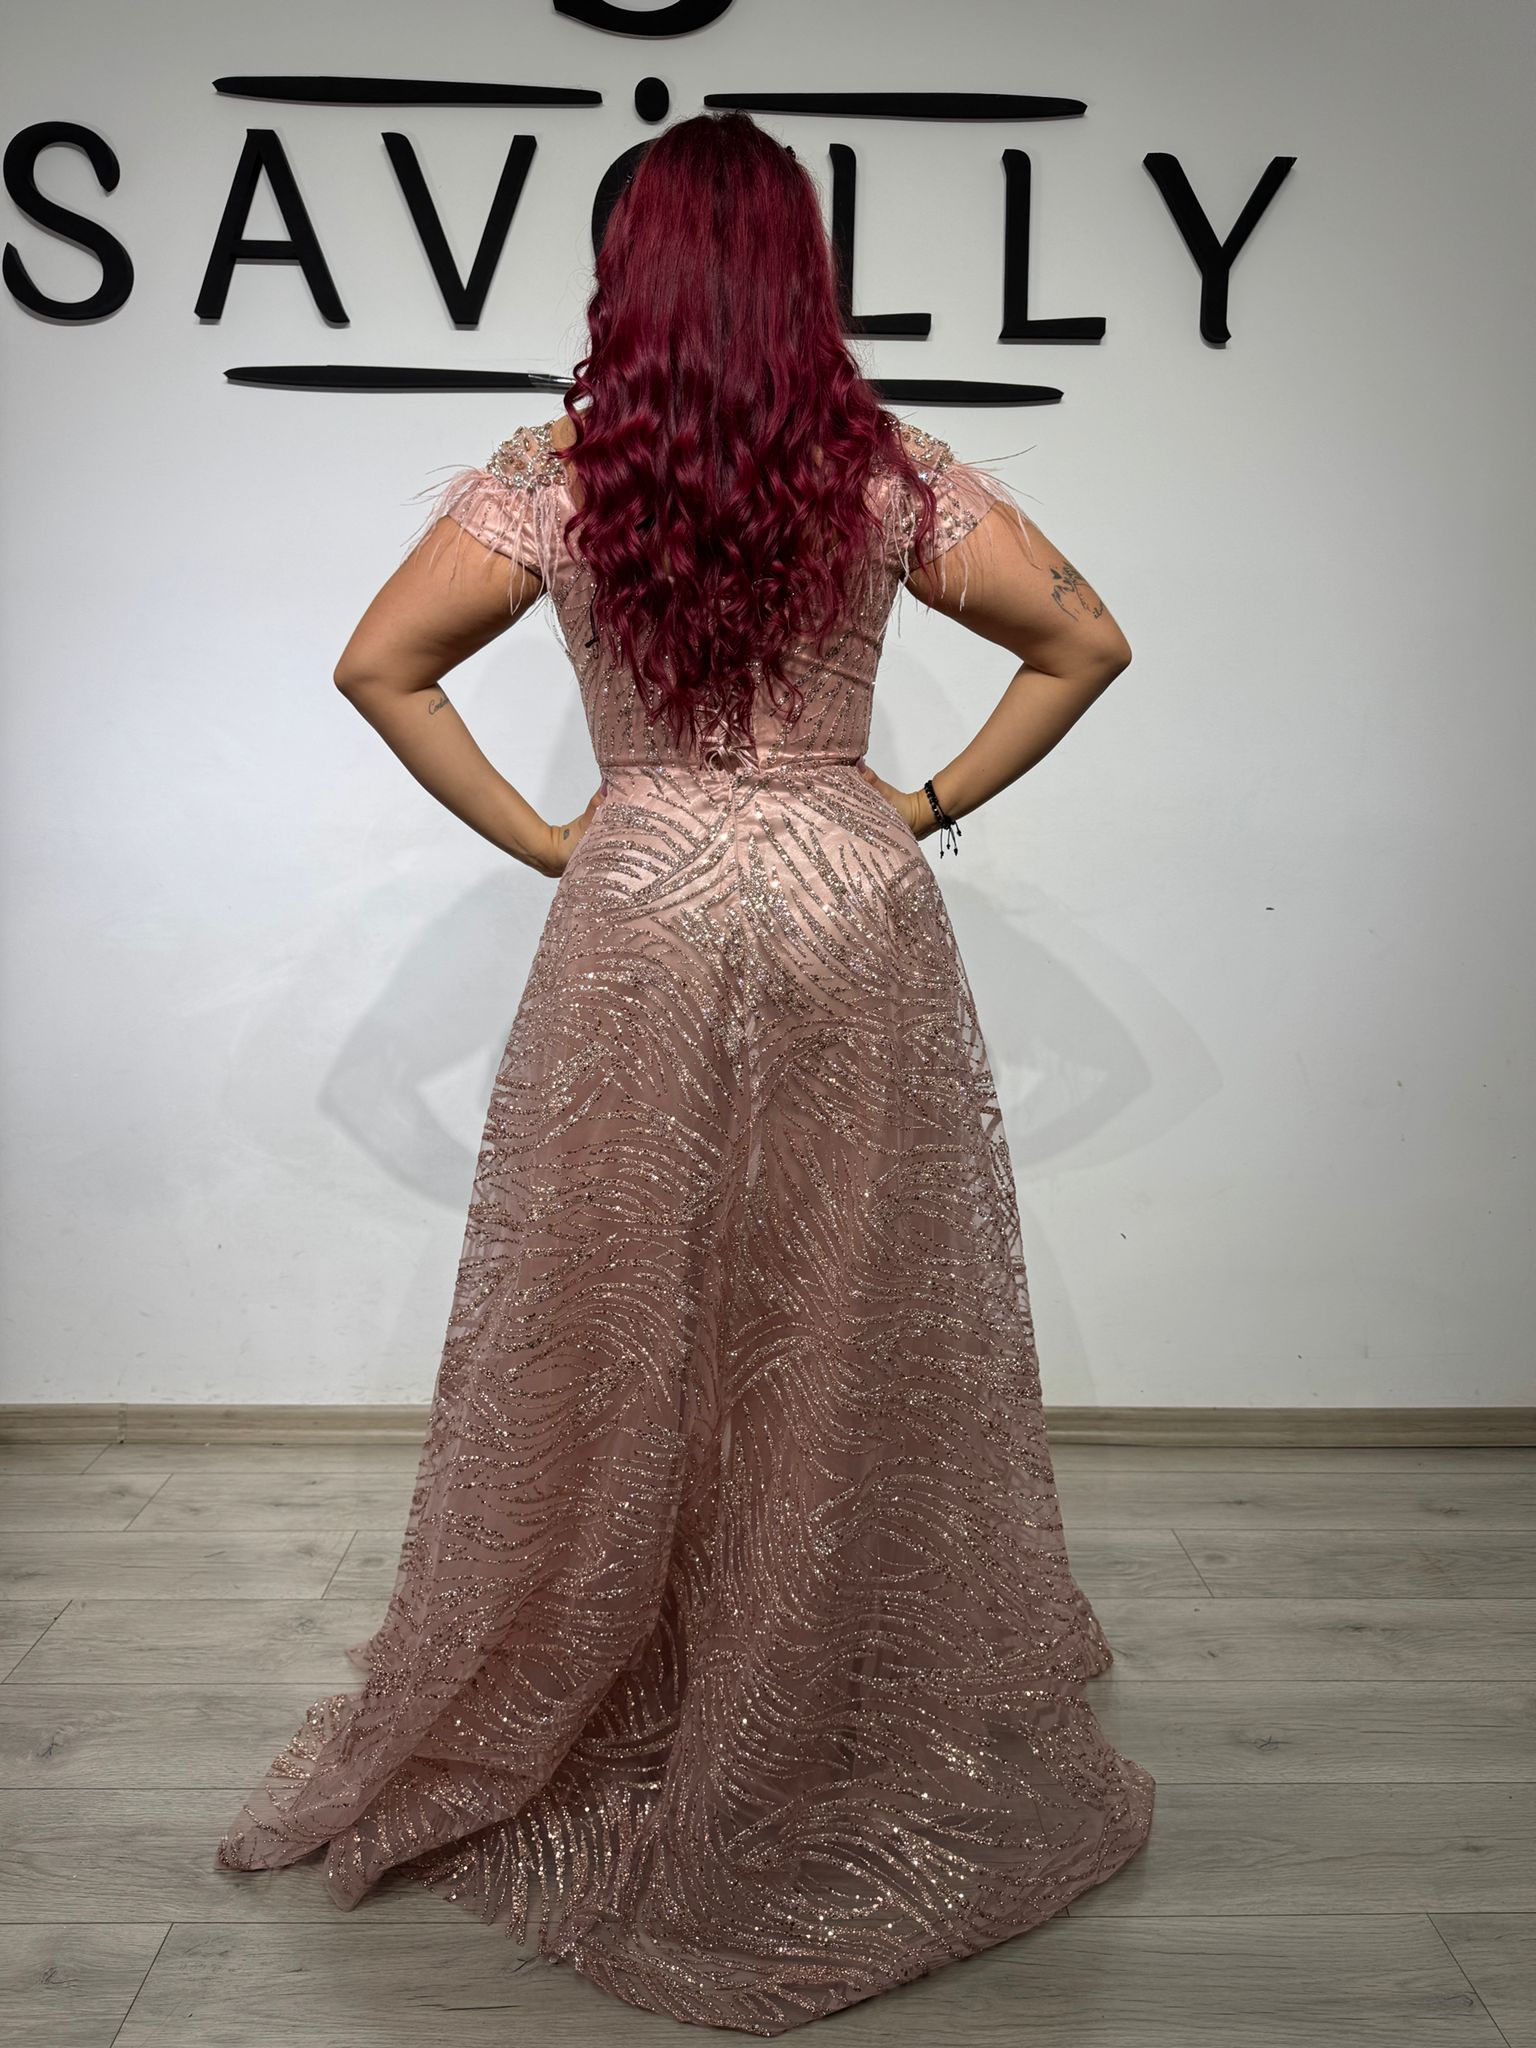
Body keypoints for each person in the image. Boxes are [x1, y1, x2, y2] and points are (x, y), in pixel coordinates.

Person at [215, 109, 1154, 2036]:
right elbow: (1085, 641)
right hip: (841, 889)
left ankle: (629, 1647)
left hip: (641, 892)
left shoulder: (563, 474)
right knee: (832, 1295)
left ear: (621, 274)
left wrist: (560, 838)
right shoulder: (883, 470)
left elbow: (380, 666)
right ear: (802, 267)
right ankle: (805, 1651)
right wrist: (917, 804)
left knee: (622, 1291)